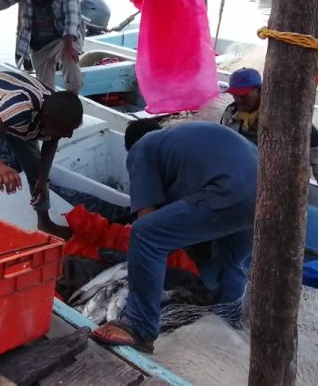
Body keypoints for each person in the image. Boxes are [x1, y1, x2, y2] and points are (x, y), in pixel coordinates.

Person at [90, 120, 257, 353]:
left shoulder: (141, 148)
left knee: (145, 235)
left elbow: (145, 218)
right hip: (267, 191)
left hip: (232, 191)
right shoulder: (183, 137)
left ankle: (139, 327)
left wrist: (142, 258)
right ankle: (227, 326)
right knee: (232, 262)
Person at [0, 70, 83, 236]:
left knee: (36, 169)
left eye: (72, 130)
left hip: (21, 117)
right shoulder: (21, 108)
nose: (69, 135)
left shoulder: (58, 112)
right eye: (66, 130)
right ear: (46, 119)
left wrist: (42, 180)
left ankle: (45, 223)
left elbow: (51, 142)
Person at [220, 67, 318, 215]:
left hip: (275, 186)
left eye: (243, 94)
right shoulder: (231, 112)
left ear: (259, 90)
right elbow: (223, 144)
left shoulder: (285, 116)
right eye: (235, 94)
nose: (238, 99)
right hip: (240, 181)